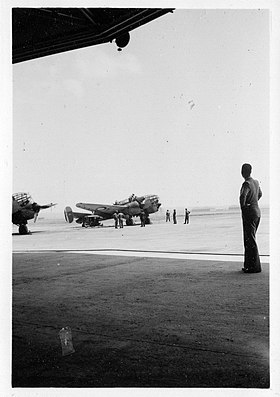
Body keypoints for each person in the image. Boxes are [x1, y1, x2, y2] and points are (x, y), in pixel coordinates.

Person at [239, 163, 262, 273]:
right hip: (257, 212)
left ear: (243, 172)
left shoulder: (246, 184)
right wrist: (254, 202)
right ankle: (249, 265)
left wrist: (244, 207)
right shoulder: (256, 182)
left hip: (250, 213)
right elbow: (260, 194)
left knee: (249, 240)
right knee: (251, 239)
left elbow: (243, 196)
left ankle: (254, 267)